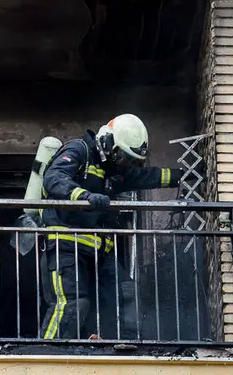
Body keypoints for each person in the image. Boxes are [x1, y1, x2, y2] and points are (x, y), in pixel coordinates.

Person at [38, 114, 183, 340]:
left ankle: (125, 348)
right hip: (66, 245)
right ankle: (46, 352)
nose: (124, 164)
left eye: (130, 161)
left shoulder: (116, 170)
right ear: (108, 143)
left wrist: (185, 176)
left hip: (101, 250)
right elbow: (54, 178)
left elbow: (148, 176)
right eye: (123, 157)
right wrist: (84, 196)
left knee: (127, 294)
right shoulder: (79, 150)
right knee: (73, 303)